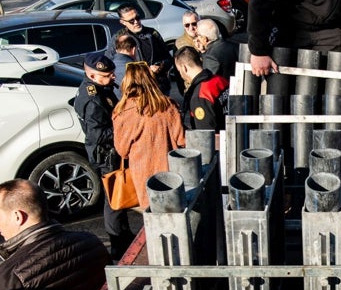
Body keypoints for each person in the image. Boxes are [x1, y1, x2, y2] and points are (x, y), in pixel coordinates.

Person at [74, 51, 134, 260]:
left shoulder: (100, 89)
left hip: (110, 152)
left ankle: (124, 235)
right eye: (107, 75)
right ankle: (118, 243)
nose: (113, 77)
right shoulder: (93, 99)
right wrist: (123, 128)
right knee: (114, 200)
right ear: (93, 76)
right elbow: (97, 134)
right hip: (106, 155)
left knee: (119, 198)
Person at [112, 62, 185, 210]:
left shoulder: (122, 112)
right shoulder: (168, 105)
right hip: (172, 173)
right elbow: (181, 140)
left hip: (143, 176)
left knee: (151, 215)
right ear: (151, 80)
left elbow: (122, 151)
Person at [110, 4, 172, 93]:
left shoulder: (152, 34)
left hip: (158, 87)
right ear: (123, 22)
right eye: (131, 21)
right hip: (135, 90)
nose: (136, 22)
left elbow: (168, 58)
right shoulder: (118, 38)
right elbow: (110, 63)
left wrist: (160, 66)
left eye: (137, 18)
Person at [174, 46, 229, 131]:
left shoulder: (199, 95)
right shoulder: (220, 80)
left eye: (179, 71)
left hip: (217, 142)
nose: (181, 75)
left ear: (184, 68)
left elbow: (205, 134)